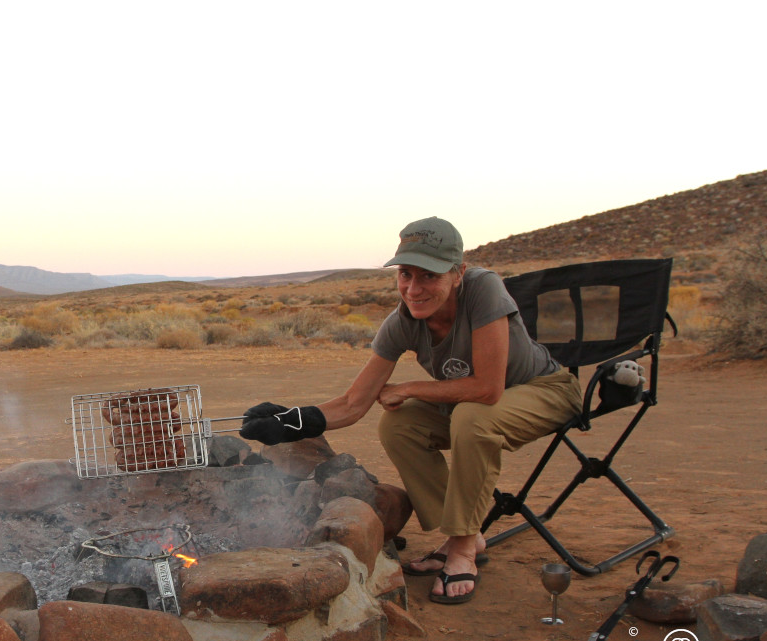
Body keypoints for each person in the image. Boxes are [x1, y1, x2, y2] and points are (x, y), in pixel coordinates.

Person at [240, 217, 581, 605]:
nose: (413, 289)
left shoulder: (483, 288)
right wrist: (293, 421)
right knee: (398, 423)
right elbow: (355, 403)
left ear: (458, 273)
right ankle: (466, 535)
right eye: (405, 274)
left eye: (429, 276)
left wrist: (410, 387)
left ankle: (463, 548)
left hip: (544, 390)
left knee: (471, 417)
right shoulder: (402, 321)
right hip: (479, 404)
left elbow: (488, 388)